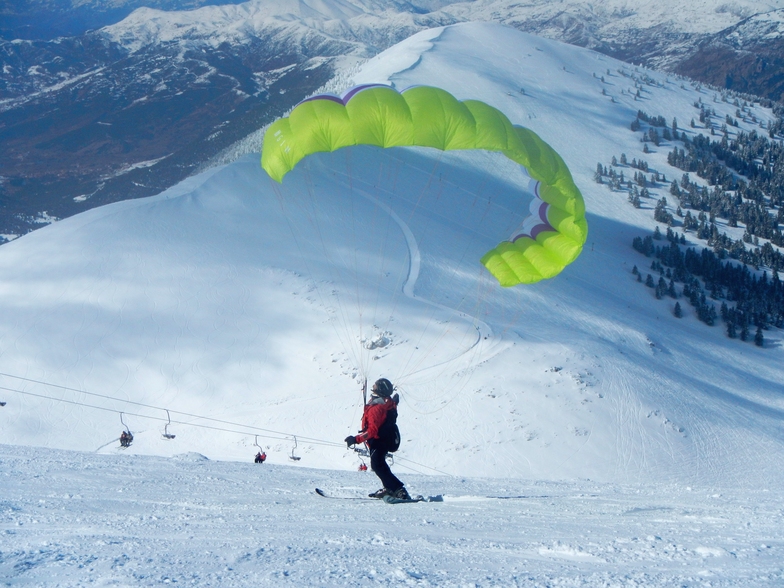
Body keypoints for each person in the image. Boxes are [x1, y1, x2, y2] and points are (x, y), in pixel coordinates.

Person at [344, 378, 410, 500]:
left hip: (379, 440)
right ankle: (389, 488)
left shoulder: (377, 407)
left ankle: (398, 490)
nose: (373, 386)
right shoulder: (386, 402)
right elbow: (391, 406)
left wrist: (356, 439)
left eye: (376, 385)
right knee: (379, 464)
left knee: (377, 465)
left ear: (380, 389)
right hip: (384, 438)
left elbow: (372, 431)